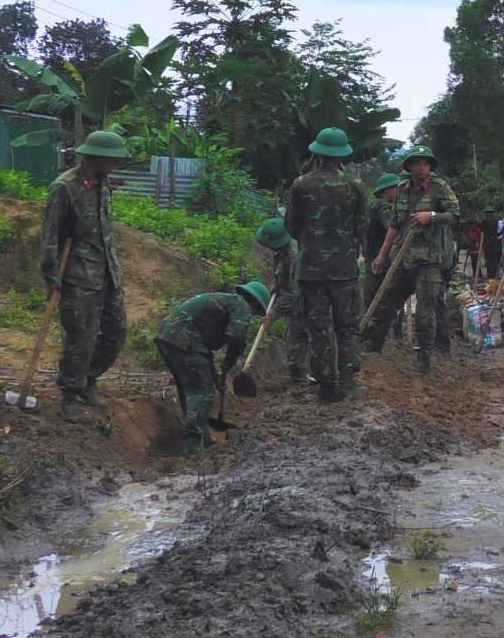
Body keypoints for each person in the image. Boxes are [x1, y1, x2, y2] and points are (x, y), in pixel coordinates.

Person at [40, 130, 131, 421]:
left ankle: (89, 379)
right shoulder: (64, 188)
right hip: (78, 275)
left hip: (107, 273)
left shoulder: (103, 185)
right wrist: (51, 276)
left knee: (116, 332)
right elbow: (50, 234)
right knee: (81, 337)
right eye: (112, 160)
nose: (115, 165)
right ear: (98, 158)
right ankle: (70, 394)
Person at [284, 126, 367, 402]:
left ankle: (325, 387)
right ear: (342, 155)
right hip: (344, 271)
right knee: (348, 326)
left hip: (310, 271)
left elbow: (292, 227)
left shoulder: (300, 184)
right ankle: (348, 382)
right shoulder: (355, 186)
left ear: (317, 153)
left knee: (318, 327)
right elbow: (361, 228)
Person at [366, 144, 461, 373]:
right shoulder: (402, 189)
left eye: (425, 163)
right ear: (409, 167)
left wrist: (433, 216)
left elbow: (455, 216)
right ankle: (372, 349)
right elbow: (395, 225)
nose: (421, 167)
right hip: (404, 257)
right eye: (417, 163)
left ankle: (423, 358)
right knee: (387, 302)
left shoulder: (440, 188)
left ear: (430, 166)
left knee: (425, 310)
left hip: (430, 259)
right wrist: (382, 255)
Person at [155, 281, 269, 456]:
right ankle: (192, 445)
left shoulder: (226, 300)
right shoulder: (242, 305)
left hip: (168, 338)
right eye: (255, 312)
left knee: (190, 390)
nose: (252, 315)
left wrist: (218, 376)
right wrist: (229, 362)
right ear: (254, 303)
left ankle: (202, 436)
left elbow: (205, 349)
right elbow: (237, 337)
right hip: (186, 340)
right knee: (203, 393)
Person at [254, 217, 303, 381]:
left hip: (305, 303)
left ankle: (304, 378)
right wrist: (277, 283)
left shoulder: (293, 257)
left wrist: (272, 316)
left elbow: (292, 294)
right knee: (294, 338)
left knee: (298, 340)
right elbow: (281, 274)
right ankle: (299, 374)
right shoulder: (282, 250)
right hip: (296, 300)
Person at [365, 173, 402, 339]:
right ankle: (373, 333)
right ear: (386, 191)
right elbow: (391, 226)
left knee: (383, 295)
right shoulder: (382, 206)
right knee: (381, 295)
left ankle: (377, 332)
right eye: (396, 189)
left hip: (378, 256)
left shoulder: (382, 206)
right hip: (379, 258)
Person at [481, 207, 504, 280]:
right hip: (495, 241)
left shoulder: (484, 220)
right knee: (494, 258)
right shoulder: (496, 220)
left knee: (488, 259)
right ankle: (494, 274)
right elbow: (499, 231)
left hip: (487, 241)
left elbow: (482, 230)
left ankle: (490, 275)